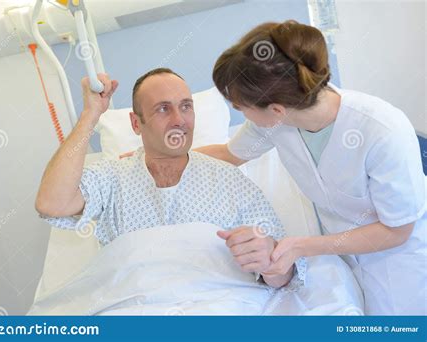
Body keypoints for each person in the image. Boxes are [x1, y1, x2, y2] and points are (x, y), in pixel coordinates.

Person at [195, 20, 426, 315]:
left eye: (241, 107)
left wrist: (301, 246)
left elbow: (398, 230)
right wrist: (154, 157)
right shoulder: (278, 122)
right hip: (345, 263)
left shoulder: (381, 130)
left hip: (403, 265)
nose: (241, 114)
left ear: (276, 110)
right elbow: (229, 154)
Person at [35, 67, 305, 290]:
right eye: (163, 109)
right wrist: (90, 115)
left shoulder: (229, 180)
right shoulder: (111, 177)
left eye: (186, 106)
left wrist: (268, 261)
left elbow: (283, 274)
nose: (179, 120)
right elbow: (52, 204)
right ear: (135, 123)